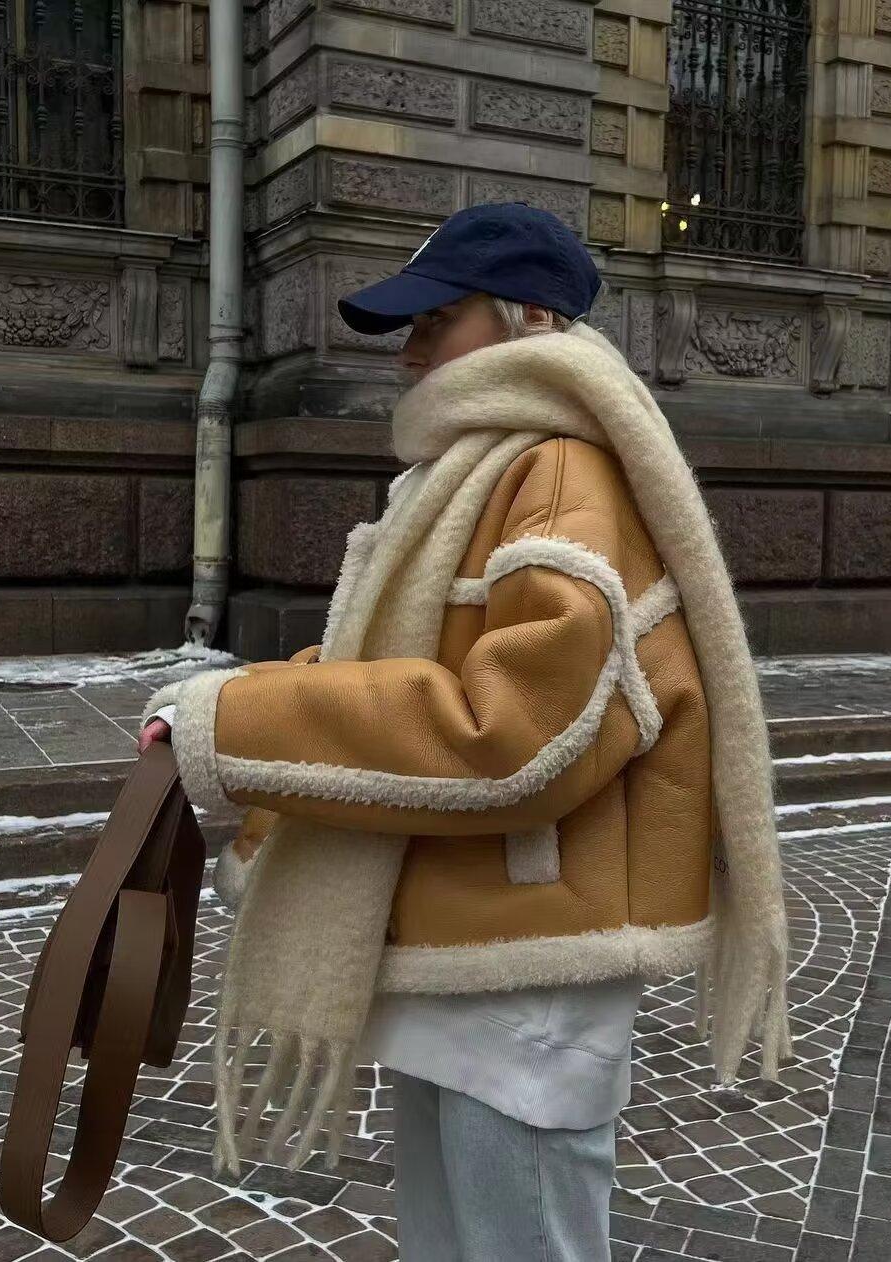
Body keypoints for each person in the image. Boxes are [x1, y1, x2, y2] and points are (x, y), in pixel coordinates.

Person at [139, 202, 790, 1262]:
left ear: (528, 315)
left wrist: (235, 722)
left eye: (435, 321)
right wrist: (228, 710)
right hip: (472, 945)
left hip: (525, 971)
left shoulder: (560, 472)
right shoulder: (488, 468)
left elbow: (515, 731)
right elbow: (399, 670)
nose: (411, 352)